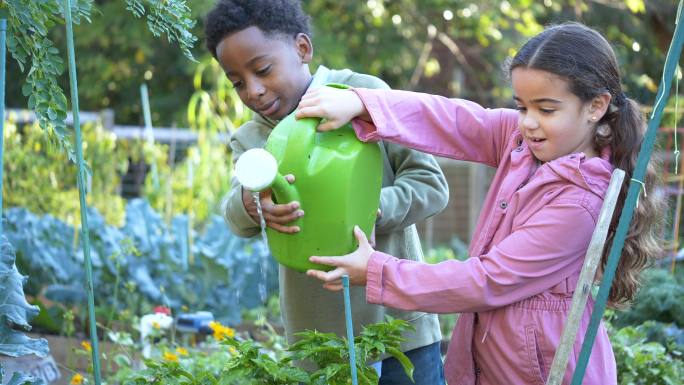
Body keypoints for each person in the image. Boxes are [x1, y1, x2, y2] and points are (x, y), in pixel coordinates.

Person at [298, 22, 664, 385]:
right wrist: (362, 102)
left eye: (547, 110)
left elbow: (487, 279)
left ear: (596, 106)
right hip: (497, 361)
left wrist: (379, 271)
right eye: (522, 107)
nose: (530, 123)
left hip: (547, 372)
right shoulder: (521, 142)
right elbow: (454, 120)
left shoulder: (581, 203)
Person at [204, 1, 450, 383]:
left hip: (400, 327)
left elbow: (431, 185)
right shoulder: (252, 139)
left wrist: (367, 209)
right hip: (316, 339)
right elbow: (235, 215)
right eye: (237, 82)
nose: (252, 90)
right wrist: (256, 207)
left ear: (302, 48)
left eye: (262, 70)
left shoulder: (363, 96)